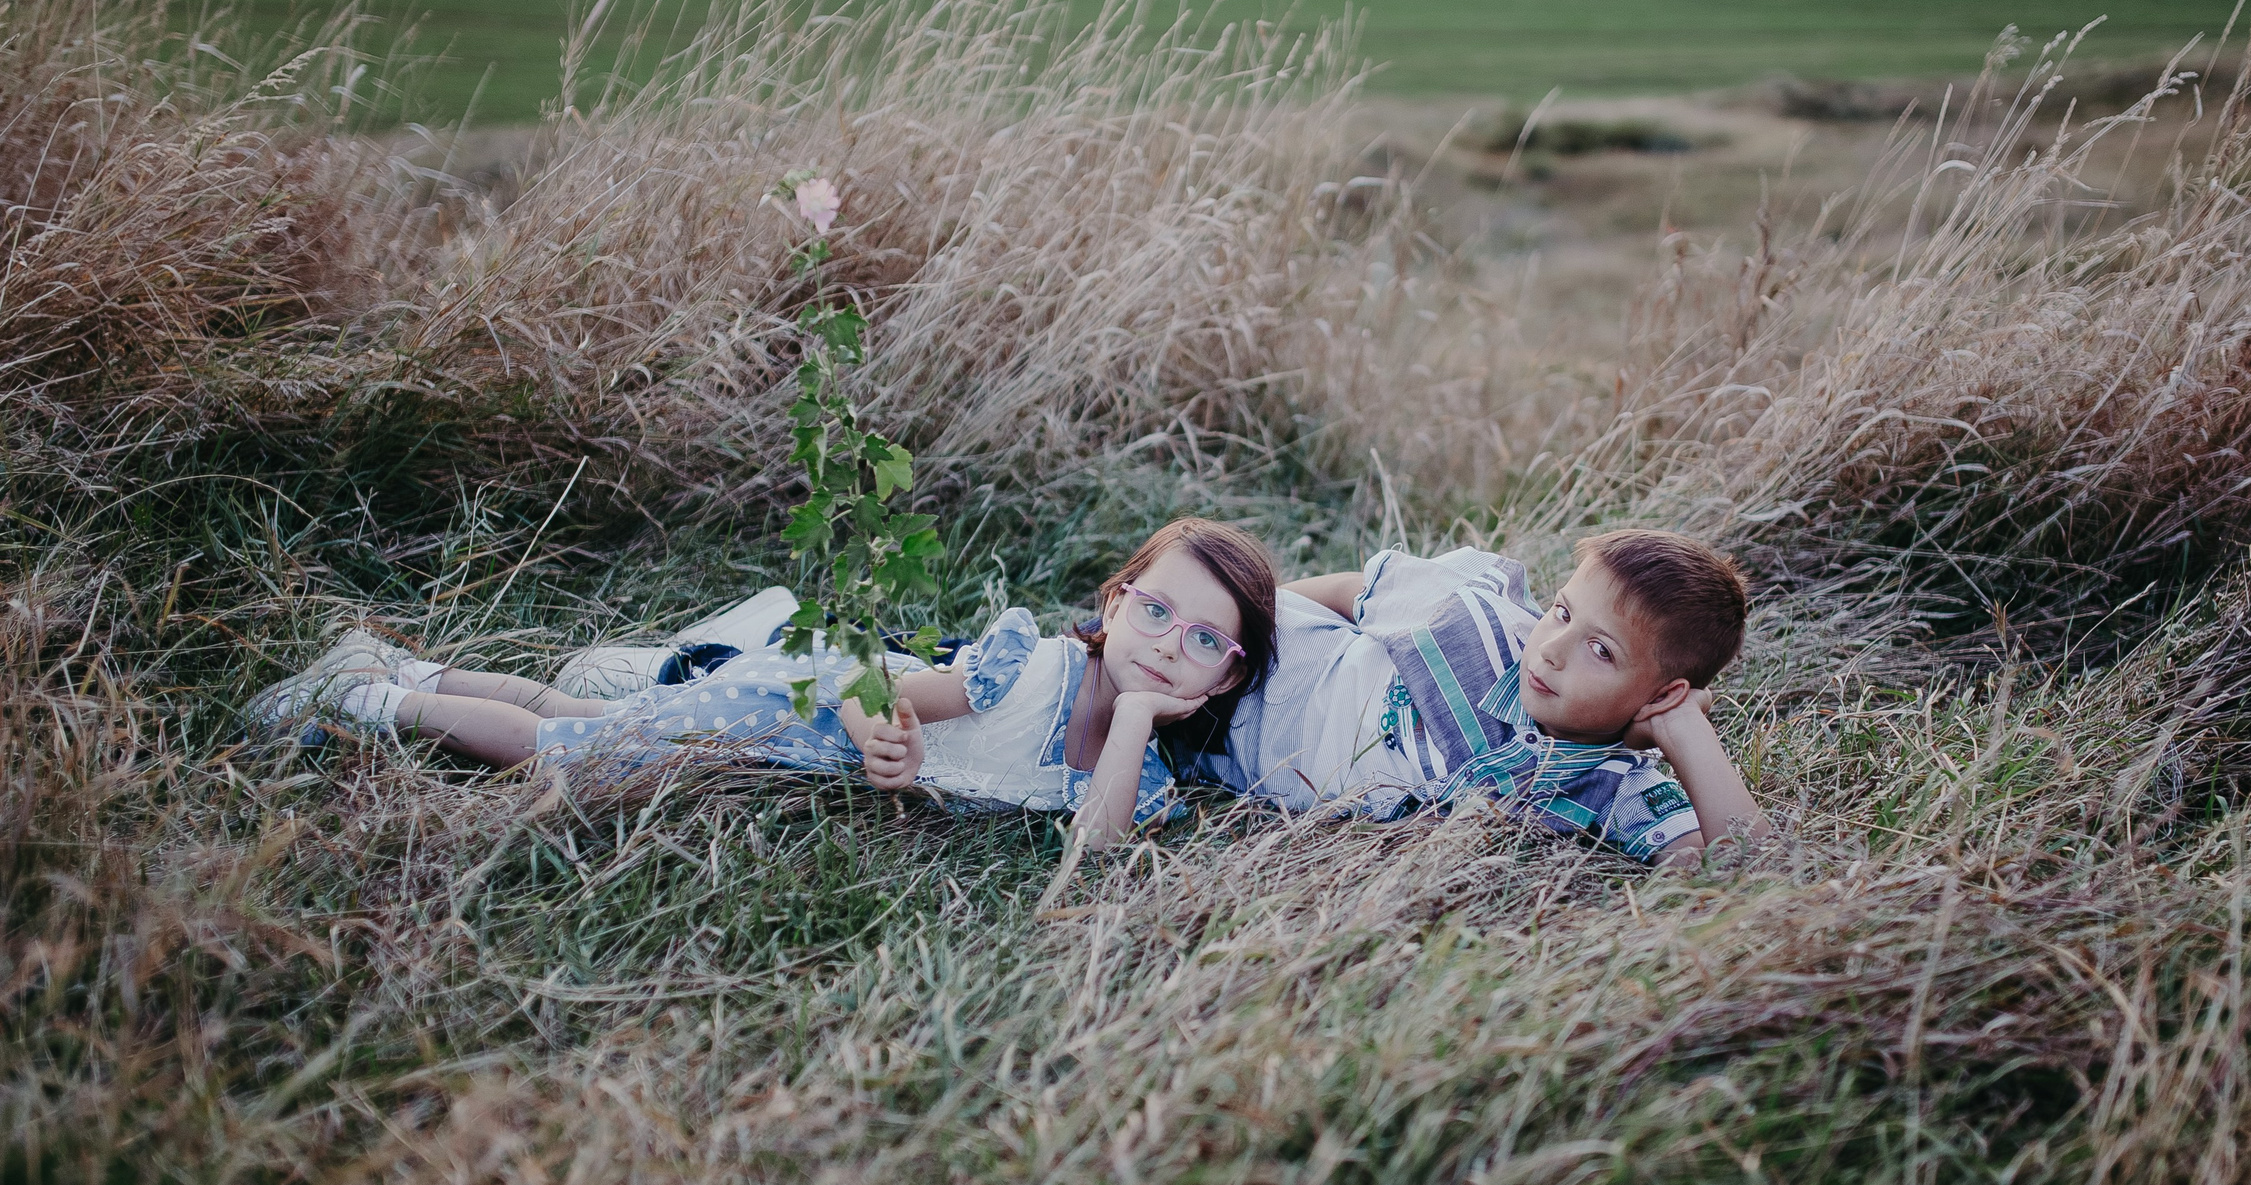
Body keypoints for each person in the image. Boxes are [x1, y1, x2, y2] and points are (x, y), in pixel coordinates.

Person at [247, 518, 1279, 850]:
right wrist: (880, 731)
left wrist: (1140, 714)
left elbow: (1093, 849)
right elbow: (873, 687)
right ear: (1111, 603)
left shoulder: (1140, 780)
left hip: (784, 743)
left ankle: (402, 666)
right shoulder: (1030, 668)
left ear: (1225, 677)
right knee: (583, 757)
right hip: (790, 708)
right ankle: (366, 703)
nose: (1164, 644)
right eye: (1153, 611)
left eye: (1200, 642)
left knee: (593, 714)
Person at [1203, 530, 1768, 868]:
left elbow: (1748, 865)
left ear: (1666, 693)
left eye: (1600, 650)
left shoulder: (1610, 784)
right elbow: (1350, 592)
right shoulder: (1472, 623)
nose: (1551, 650)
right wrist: (1244, 623)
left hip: (1226, 752)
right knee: (1123, 651)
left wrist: (1687, 735)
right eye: (1563, 613)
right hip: (1258, 656)